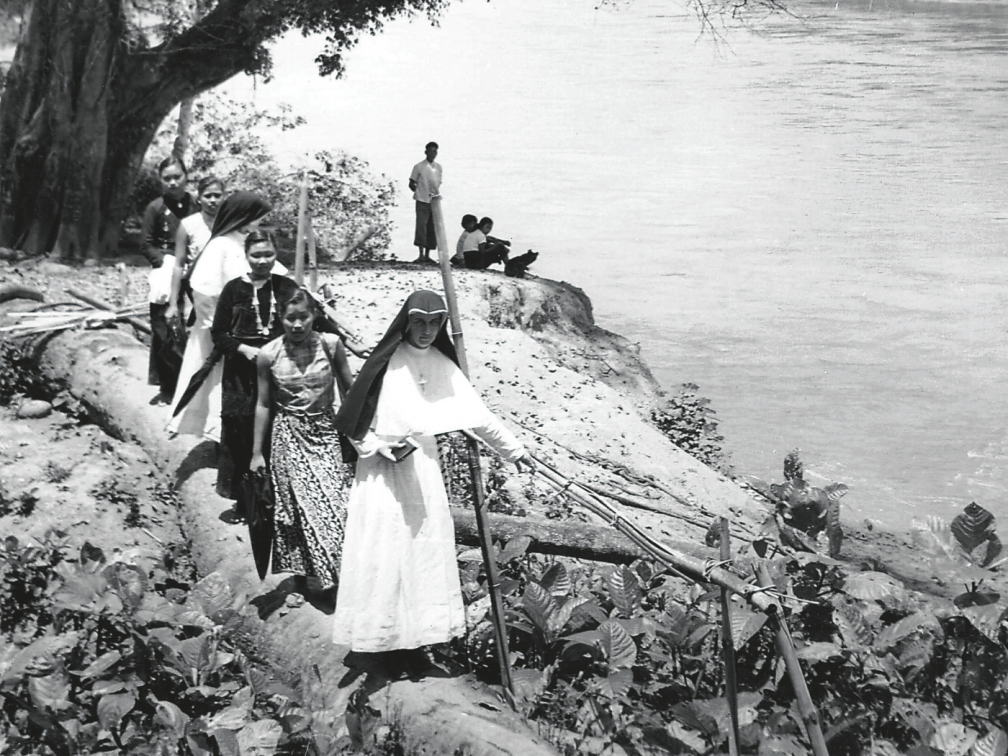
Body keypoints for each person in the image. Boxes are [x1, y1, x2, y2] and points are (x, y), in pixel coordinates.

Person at [331, 290, 534, 657]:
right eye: (419, 322)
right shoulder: (385, 361)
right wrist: (376, 445)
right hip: (381, 471)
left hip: (423, 466)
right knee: (385, 549)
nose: (426, 331)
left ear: (442, 324)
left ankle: (416, 641)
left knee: (422, 549)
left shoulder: (442, 361)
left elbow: (478, 415)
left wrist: (514, 450)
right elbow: (352, 421)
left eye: (434, 323)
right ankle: (380, 642)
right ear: (406, 322)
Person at [251, 289, 355, 588]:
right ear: (280, 318)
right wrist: (257, 452)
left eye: (303, 317)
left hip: (326, 431)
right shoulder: (268, 354)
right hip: (288, 436)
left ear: (315, 316)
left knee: (335, 504)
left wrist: (362, 434)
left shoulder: (331, 344)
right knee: (294, 511)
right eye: (290, 318)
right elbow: (263, 404)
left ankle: (339, 580)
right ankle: (302, 581)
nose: (297, 325)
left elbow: (349, 391)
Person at [211, 230, 311, 518]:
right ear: (246, 256)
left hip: (279, 371)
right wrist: (243, 349)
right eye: (256, 255)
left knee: (277, 431)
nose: (263, 261)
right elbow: (218, 333)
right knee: (242, 432)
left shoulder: (286, 286)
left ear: (276, 254)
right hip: (241, 376)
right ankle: (246, 502)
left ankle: (281, 503)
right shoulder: (233, 290)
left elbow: (305, 319)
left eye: (268, 254)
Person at [167, 191, 274, 441]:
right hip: (222, 333)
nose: (259, 224)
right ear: (245, 217)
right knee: (215, 388)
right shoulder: (220, 245)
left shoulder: (245, 245)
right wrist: (225, 332)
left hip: (251, 330)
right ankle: (221, 440)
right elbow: (204, 293)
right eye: (258, 218)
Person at [142, 155, 194, 403]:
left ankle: (196, 383)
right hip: (168, 265)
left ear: (186, 176)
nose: (173, 183)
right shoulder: (155, 208)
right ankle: (168, 384)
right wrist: (162, 261)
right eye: (167, 179)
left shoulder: (197, 205)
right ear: (161, 181)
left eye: (177, 177)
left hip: (194, 266)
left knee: (199, 323)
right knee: (165, 326)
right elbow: (146, 244)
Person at [165, 176, 224, 327]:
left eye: (217, 195)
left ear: (224, 197)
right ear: (199, 199)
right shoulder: (188, 225)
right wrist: (173, 304)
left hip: (226, 293)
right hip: (196, 293)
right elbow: (179, 265)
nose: (212, 200)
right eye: (208, 196)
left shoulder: (232, 225)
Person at [408, 142, 442, 264]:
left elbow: (438, 183)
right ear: (426, 152)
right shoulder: (419, 166)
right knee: (421, 226)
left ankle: (428, 254)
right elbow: (411, 182)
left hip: (434, 200)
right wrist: (418, 191)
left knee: (432, 227)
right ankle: (421, 254)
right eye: (430, 151)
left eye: (435, 151)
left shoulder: (438, 167)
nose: (433, 153)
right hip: (422, 200)